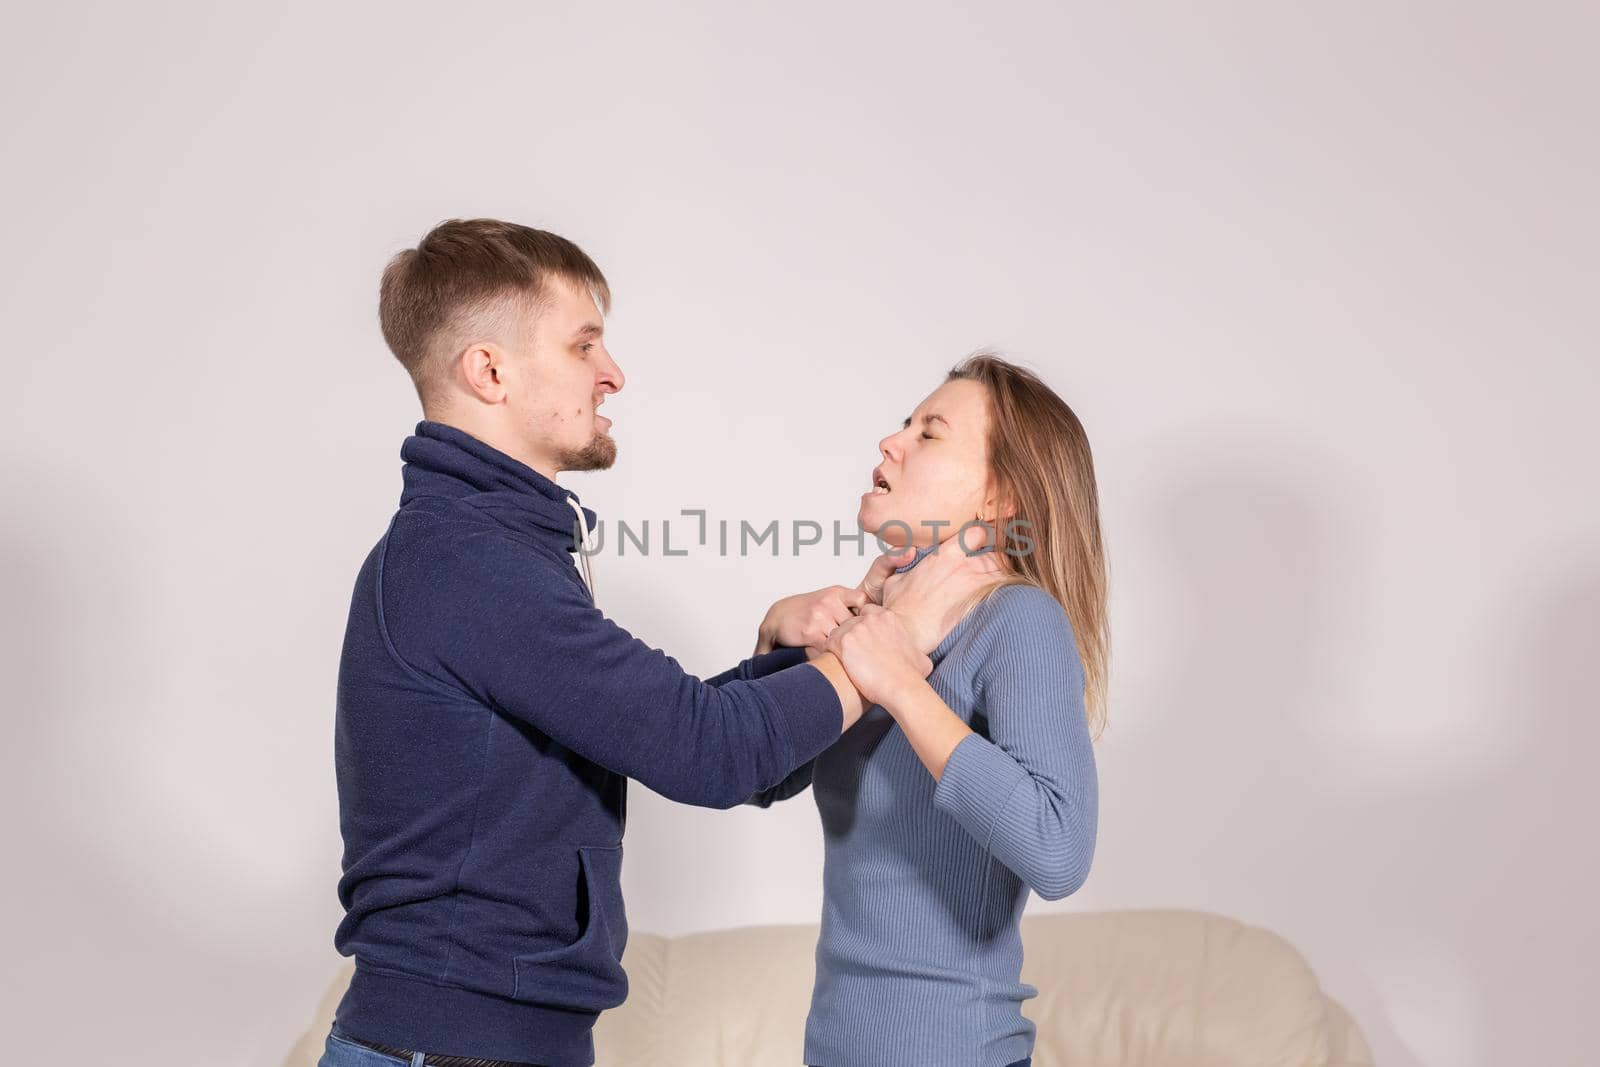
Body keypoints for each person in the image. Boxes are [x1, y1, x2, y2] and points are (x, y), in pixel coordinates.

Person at [318, 218, 999, 1067]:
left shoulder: (490, 546)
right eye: (583, 346)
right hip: (452, 1051)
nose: (613, 374)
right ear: (488, 371)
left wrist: (780, 657)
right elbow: (708, 751)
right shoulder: (470, 562)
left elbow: (657, 726)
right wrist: (889, 644)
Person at [749, 353, 1110, 1067]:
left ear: (997, 496)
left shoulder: (1018, 620)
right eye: (904, 424)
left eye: (930, 433)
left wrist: (903, 688)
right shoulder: (885, 615)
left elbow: (1060, 850)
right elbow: (763, 779)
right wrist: (778, 628)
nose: (892, 442)